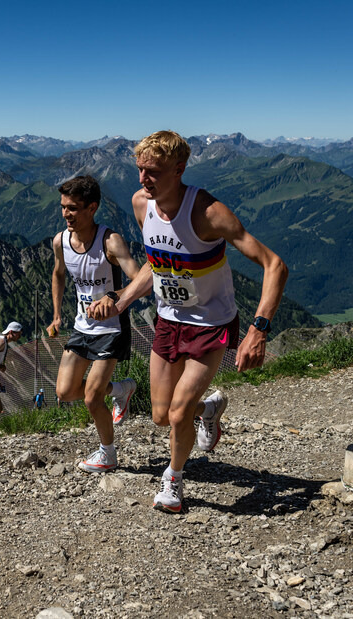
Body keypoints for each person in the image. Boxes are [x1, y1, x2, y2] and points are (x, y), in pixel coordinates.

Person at [89, 130, 287, 514]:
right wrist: (121, 299)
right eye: (140, 169)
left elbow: (274, 265)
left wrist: (258, 330)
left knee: (178, 413)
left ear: (179, 169)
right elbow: (156, 265)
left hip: (212, 324)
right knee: (162, 415)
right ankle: (207, 410)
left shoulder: (208, 213)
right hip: (168, 321)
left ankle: (173, 478)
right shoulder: (141, 204)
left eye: (153, 172)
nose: (143, 179)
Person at [48, 175, 141, 473]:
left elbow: (141, 279)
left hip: (111, 329)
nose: (66, 214)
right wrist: (57, 315)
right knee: (64, 392)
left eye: (73, 208)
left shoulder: (110, 242)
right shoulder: (61, 241)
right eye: (63, 207)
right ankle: (120, 390)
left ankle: (107, 454)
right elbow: (59, 273)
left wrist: (113, 297)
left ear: (92, 208)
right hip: (82, 326)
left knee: (91, 398)